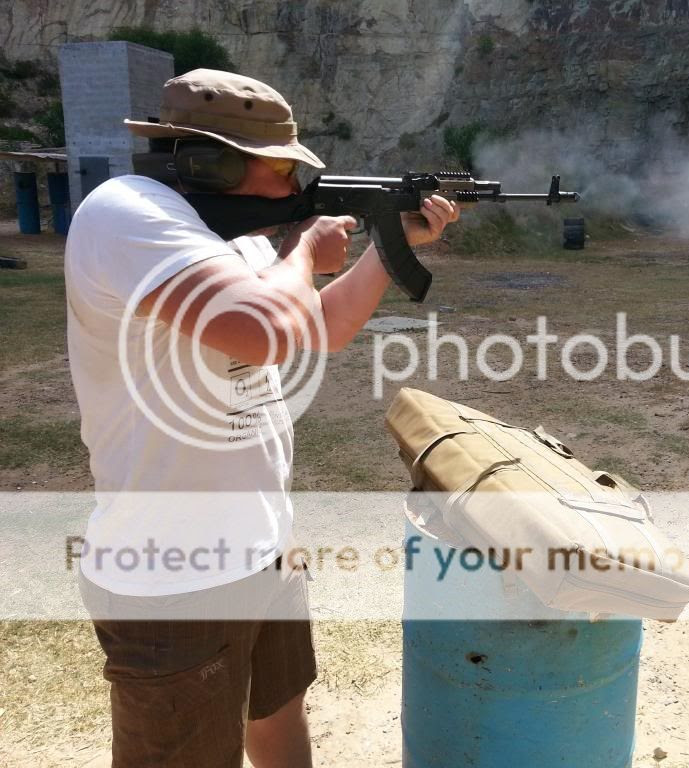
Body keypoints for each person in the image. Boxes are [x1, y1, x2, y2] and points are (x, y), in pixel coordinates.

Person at [65, 69, 459, 767]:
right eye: (280, 169)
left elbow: (322, 325)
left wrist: (386, 242)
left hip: (262, 547)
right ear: (209, 164)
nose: (293, 184)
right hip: (172, 576)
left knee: (277, 712)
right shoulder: (125, 212)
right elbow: (264, 329)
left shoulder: (232, 237)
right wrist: (305, 251)